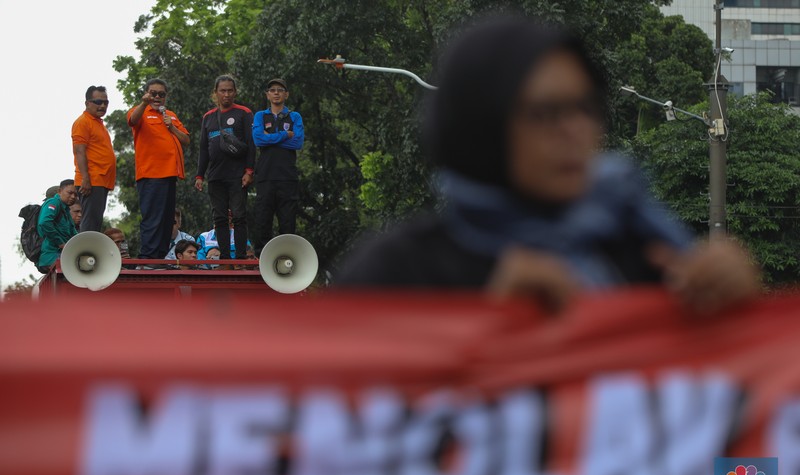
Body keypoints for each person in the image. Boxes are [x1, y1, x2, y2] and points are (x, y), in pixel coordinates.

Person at [335, 16, 760, 315]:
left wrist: (734, 314)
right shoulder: (396, 275)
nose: (575, 131)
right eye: (545, 113)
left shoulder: (646, 257)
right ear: (480, 126)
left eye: (584, 108)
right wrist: (490, 330)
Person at [194, 75, 256, 264]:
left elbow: (251, 145)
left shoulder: (244, 113)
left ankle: (240, 257)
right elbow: (204, 149)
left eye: (230, 90)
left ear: (235, 92)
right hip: (215, 175)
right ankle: (225, 258)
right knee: (219, 217)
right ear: (216, 93)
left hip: (237, 175)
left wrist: (249, 171)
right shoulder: (208, 117)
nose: (226, 94)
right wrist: (199, 175)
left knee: (238, 216)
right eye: (223, 90)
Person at [127, 78, 190, 260]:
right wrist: (144, 102)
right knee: (153, 219)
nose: (157, 97)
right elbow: (132, 120)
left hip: (170, 174)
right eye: (153, 93)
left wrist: (172, 128)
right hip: (151, 174)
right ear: (146, 93)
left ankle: (160, 258)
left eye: (161, 94)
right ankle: (148, 258)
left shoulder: (169, 115)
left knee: (166, 220)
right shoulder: (141, 111)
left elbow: (186, 140)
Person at [252, 77, 304, 257]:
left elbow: (297, 142)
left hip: (287, 176)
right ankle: (262, 258)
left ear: (286, 94)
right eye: (272, 90)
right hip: (265, 175)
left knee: (288, 222)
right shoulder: (260, 115)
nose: (276, 93)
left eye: (280, 90)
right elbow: (258, 139)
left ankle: (287, 258)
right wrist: (284, 135)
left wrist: (271, 138)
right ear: (267, 95)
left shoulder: (294, 116)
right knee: (262, 219)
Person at [72, 85, 117, 233]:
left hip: (101, 180)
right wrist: (85, 178)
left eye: (105, 102)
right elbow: (79, 151)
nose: (102, 105)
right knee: (90, 224)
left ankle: (90, 251)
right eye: (98, 102)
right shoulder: (83, 122)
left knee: (95, 222)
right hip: (91, 180)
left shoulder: (98, 123)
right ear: (87, 103)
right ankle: (86, 253)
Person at [37, 179, 78, 273]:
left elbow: (74, 233)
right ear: (59, 191)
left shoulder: (66, 210)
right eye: (70, 193)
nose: (73, 197)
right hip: (52, 257)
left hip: (63, 257)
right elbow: (45, 223)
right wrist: (61, 243)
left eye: (75, 195)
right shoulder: (53, 202)